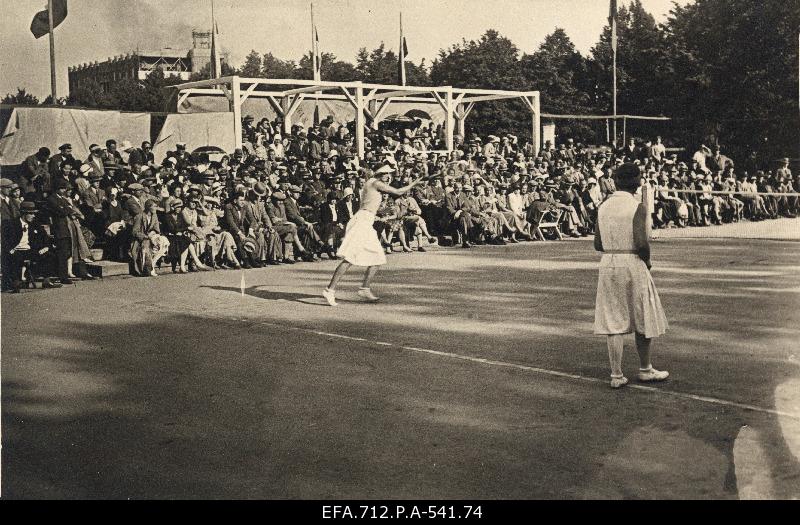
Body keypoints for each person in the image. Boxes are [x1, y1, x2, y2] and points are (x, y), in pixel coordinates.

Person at [594, 163, 669, 388]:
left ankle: (616, 375)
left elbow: (598, 243)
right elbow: (641, 243)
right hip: (632, 262)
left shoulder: (603, 206)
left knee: (613, 316)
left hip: (608, 263)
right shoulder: (637, 206)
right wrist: (647, 261)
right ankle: (645, 369)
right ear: (636, 182)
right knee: (642, 313)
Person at [322, 165, 421, 306]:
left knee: (378, 257)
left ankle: (364, 288)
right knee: (350, 258)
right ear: (380, 173)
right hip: (361, 221)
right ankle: (329, 290)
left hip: (366, 221)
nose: (388, 176)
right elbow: (398, 191)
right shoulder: (375, 182)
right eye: (386, 174)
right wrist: (415, 182)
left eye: (389, 174)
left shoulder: (372, 182)